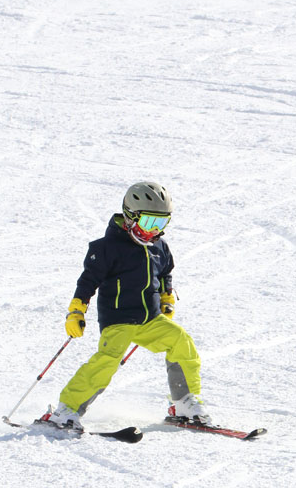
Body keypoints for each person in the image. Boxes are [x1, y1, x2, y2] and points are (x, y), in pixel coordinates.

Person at [41, 181, 210, 429]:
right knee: (107, 361)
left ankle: (183, 402)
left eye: (162, 223)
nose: (155, 230)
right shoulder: (106, 248)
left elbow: (165, 272)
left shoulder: (159, 247)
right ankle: (66, 410)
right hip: (118, 320)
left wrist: (166, 297)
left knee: (181, 342)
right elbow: (87, 282)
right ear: (131, 216)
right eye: (149, 222)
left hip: (150, 320)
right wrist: (76, 310)